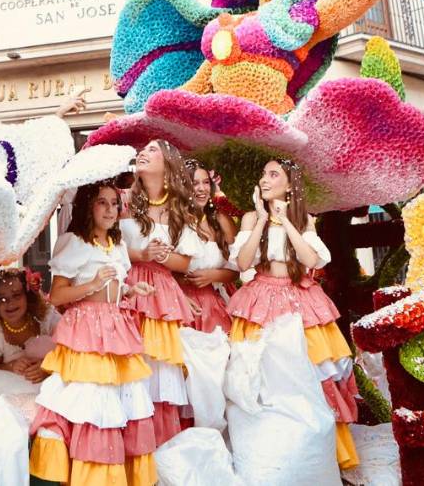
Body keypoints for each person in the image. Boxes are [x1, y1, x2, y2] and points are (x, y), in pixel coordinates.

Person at [227, 158, 359, 472]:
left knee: (310, 373)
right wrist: (260, 219)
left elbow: (311, 258)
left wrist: (286, 221)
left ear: (289, 185)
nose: (265, 179)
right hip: (260, 298)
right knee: (262, 377)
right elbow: (243, 264)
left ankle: (314, 454)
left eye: (274, 174)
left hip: (300, 301)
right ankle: (269, 457)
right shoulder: (249, 218)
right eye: (263, 174)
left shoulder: (304, 220)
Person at [29, 181, 159, 486]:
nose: (111, 210)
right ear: (89, 205)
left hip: (117, 326)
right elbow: (57, 296)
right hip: (87, 330)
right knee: (92, 402)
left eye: (115, 204)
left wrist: (130, 290)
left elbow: (115, 288)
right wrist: (93, 283)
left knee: (119, 404)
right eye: (103, 203)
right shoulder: (74, 242)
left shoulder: (118, 244)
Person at [121, 139, 199, 447]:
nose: (143, 152)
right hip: (128, 285)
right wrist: (142, 254)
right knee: (131, 364)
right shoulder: (122, 200)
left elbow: (185, 261)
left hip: (163, 292)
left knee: (159, 371)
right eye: (142, 150)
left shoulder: (180, 207)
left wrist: (164, 257)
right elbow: (104, 247)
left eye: (153, 150)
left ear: (168, 164)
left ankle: (162, 450)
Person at [179, 161, 237, 333]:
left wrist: (214, 275)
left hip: (214, 302)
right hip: (181, 300)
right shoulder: (172, 219)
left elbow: (237, 269)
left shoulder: (222, 220)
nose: (202, 189)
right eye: (194, 183)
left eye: (206, 183)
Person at [0, 268, 60, 384]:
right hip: (8, 390)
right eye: (2, 299)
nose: (10, 303)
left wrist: (48, 367)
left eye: (16, 295)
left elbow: (71, 352)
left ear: (27, 296)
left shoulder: (46, 318)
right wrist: (11, 366)